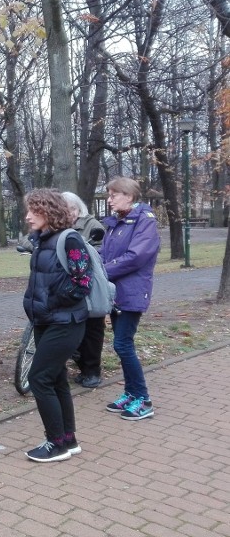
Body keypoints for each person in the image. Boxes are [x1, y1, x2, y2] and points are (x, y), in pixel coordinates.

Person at [22, 188, 92, 462]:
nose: (28, 216)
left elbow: (82, 283)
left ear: (49, 212)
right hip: (45, 321)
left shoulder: (69, 239)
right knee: (56, 378)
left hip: (65, 322)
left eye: (34, 211)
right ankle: (68, 439)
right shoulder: (42, 240)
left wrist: (53, 301)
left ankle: (55, 444)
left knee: (39, 378)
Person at [101, 177, 160, 421]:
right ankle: (130, 393)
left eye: (114, 195)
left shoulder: (144, 222)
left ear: (129, 196)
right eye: (109, 195)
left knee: (123, 344)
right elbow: (104, 253)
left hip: (132, 291)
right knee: (121, 343)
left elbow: (136, 256)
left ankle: (143, 399)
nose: (109, 200)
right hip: (117, 292)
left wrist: (102, 271)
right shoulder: (117, 224)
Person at [61, 191, 106, 388]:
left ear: (78, 208)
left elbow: (102, 250)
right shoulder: (57, 225)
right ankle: (82, 364)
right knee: (72, 327)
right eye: (64, 209)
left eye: (71, 208)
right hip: (65, 282)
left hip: (90, 281)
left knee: (93, 328)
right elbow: (31, 239)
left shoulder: (92, 225)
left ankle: (92, 370)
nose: (68, 213)